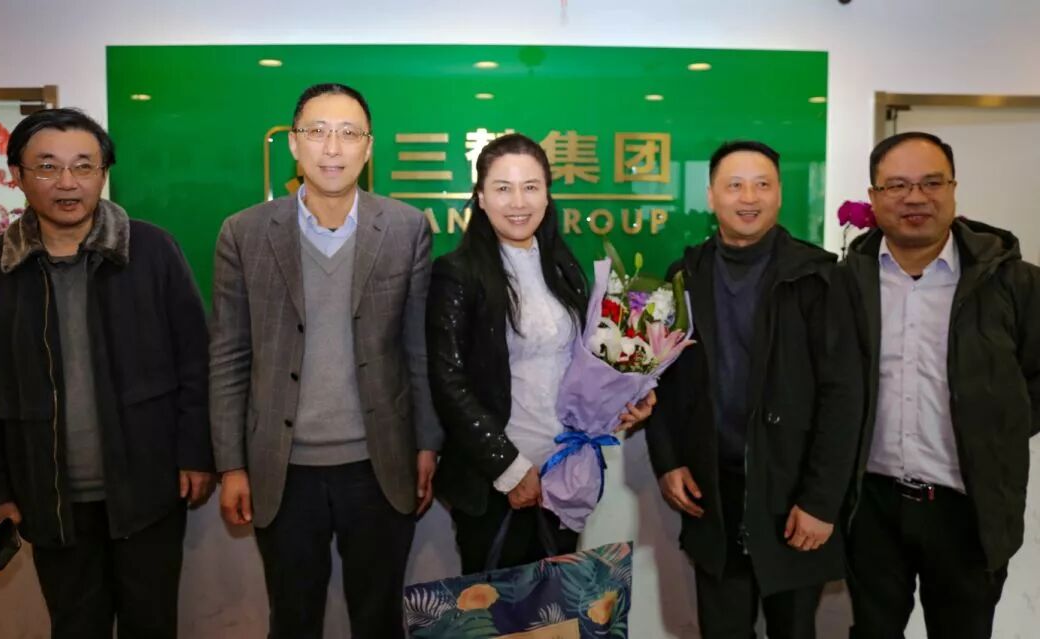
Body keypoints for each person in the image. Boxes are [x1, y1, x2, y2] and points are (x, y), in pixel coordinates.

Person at [0, 108, 214, 639]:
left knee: (152, 625)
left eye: (84, 166)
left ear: (104, 173)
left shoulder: (152, 251)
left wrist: (196, 453)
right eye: (47, 167)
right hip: (48, 496)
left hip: (148, 489)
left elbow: (196, 359)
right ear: (17, 175)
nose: (67, 182)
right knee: (76, 627)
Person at [209, 82, 442, 638]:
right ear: (293, 143)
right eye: (317, 132)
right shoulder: (243, 233)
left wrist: (427, 444)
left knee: (378, 621)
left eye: (348, 133)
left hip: (379, 463)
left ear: (368, 147)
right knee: (292, 620)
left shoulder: (406, 228)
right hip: (282, 467)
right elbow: (229, 354)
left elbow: (417, 346)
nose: (332, 148)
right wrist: (231, 464)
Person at [646, 140, 862, 638]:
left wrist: (821, 502)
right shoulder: (686, 275)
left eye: (762, 185)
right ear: (711, 195)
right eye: (735, 185)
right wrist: (667, 461)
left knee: (794, 630)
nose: (749, 198)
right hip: (713, 494)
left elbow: (843, 396)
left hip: (792, 493)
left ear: (780, 194)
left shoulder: (819, 277)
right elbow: (661, 379)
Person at [841, 131, 1040, 639]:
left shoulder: (1015, 283)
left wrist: (993, 431)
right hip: (871, 505)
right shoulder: (846, 283)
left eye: (931, 183)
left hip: (967, 508)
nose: (915, 197)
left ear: (953, 189)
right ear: (874, 197)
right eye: (898, 185)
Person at [427, 133, 654, 574]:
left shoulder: (563, 267)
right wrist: (511, 469)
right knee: (498, 608)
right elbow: (448, 382)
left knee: (559, 606)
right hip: (496, 483)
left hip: (564, 476)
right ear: (481, 198)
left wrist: (625, 399)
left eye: (530, 187)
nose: (518, 202)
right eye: (503, 188)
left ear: (547, 196)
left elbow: (583, 363)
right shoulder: (458, 273)